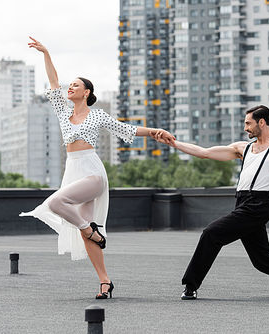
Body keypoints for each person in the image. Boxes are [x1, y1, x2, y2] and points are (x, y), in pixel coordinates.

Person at [20, 37, 175, 299]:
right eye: (71, 85)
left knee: (56, 204)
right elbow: (53, 81)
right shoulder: (63, 112)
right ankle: (105, 280)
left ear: (87, 93)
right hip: (72, 171)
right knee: (87, 232)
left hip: (92, 172)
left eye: (76, 85)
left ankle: (90, 230)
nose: (70, 88)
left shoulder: (98, 115)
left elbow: (127, 129)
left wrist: (154, 132)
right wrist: (46, 52)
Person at [151, 105, 269, 300]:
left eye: (248, 123)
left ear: (261, 122)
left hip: (258, 205)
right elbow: (204, 152)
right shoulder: (244, 148)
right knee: (263, 262)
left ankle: (190, 285)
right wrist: (174, 143)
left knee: (211, 233)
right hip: (242, 202)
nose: (245, 128)